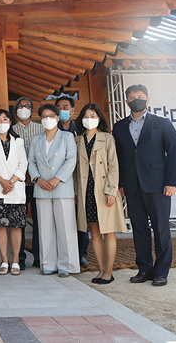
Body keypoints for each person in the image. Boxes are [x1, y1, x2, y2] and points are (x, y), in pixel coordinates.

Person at [112, 84, 176, 287]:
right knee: (139, 229)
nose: (136, 99)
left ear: (148, 100)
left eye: (140, 96)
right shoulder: (119, 127)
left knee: (161, 229)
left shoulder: (162, 123)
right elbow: (119, 158)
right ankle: (144, 269)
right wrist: (121, 184)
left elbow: (174, 152)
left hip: (158, 185)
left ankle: (161, 272)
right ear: (126, 102)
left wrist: (171, 182)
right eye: (132, 97)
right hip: (132, 186)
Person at [74, 103, 127, 285]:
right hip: (85, 191)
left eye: (93, 115)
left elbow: (114, 166)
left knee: (108, 231)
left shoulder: (107, 138)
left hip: (104, 191)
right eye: (86, 116)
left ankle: (109, 271)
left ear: (99, 119)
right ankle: (101, 269)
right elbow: (75, 171)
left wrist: (112, 190)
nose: (89, 119)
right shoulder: (77, 140)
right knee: (94, 232)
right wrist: (75, 193)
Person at [28, 104, 79, 277]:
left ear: (58, 118)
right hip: (41, 188)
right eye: (44, 116)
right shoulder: (36, 139)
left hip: (62, 187)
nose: (47, 119)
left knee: (65, 227)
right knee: (44, 228)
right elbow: (31, 162)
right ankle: (48, 263)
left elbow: (71, 160)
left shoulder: (67, 137)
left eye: (51, 116)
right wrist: (38, 179)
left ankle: (67, 265)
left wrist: (57, 178)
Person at [0, 109, 28, 276]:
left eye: (5, 119)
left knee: (16, 226)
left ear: (10, 122)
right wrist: (3, 182)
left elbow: (23, 163)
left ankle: (15, 260)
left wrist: (12, 182)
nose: (2, 122)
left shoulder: (18, 141)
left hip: (15, 189)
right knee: (1, 226)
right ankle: (4, 260)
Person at [56, 95, 89, 268]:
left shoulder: (82, 129)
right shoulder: (52, 130)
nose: (63, 110)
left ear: (73, 110)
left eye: (66, 106)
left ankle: (82, 253)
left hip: (79, 179)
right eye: (59, 107)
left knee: (80, 218)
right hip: (58, 181)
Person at [12, 96, 43, 269]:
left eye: (27, 106)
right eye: (20, 106)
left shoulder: (40, 129)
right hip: (18, 184)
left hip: (38, 182)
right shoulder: (10, 129)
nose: (23, 108)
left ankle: (39, 256)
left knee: (39, 221)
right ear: (16, 110)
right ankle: (20, 257)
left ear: (32, 109)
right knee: (19, 222)